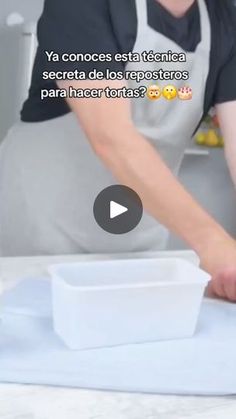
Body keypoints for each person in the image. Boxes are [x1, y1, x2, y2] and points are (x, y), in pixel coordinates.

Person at [0, 0, 236, 302]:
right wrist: (213, 242)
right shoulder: (83, 6)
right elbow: (111, 137)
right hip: (38, 241)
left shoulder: (224, 21)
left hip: (136, 246)